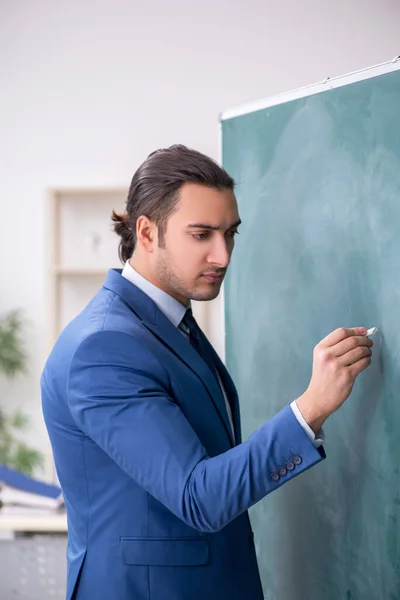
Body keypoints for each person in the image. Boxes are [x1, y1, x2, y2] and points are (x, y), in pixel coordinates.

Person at [41, 145, 373, 600]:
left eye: (230, 234)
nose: (223, 255)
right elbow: (200, 496)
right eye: (202, 235)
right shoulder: (105, 347)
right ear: (147, 232)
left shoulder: (168, 322)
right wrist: (310, 408)